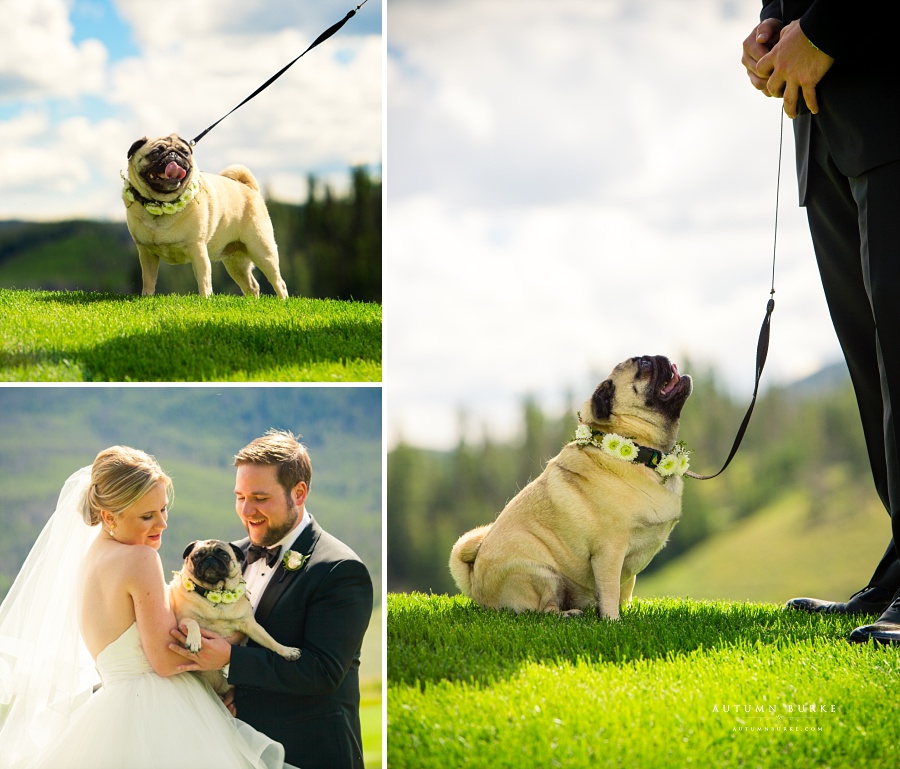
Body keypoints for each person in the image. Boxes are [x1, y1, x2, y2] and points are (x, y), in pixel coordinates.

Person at [741, 2, 900, 643]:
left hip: (889, 99)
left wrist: (827, 29)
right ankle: (897, 571)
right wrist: (774, 24)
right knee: (875, 365)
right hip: (825, 129)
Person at [0, 446, 294, 769]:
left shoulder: (90, 559)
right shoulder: (141, 559)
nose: (162, 523)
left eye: (163, 509)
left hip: (110, 709)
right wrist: (225, 655)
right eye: (147, 516)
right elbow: (165, 660)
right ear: (110, 516)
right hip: (157, 711)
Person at [169, 429, 374, 769]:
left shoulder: (340, 569)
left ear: (299, 492)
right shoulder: (231, 558)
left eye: (260, 498)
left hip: (309, 753)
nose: (247, 510)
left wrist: (229, 659)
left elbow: (322, 672)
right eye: (240, 496)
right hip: (236, 747)